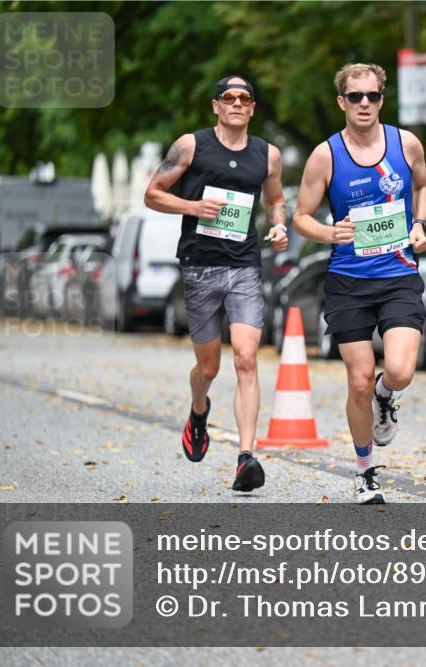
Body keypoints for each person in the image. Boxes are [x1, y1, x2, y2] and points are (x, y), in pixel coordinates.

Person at [293, 63, 426, 504]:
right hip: (348, 281)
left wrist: (420, 224)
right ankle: (365, 471)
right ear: (342, 102)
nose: (365, 104)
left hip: (398, 276)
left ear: (381, 100)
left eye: (372, 96)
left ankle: (386, 396)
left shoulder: (405, 143)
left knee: (400, 370)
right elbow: (301, 217)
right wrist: (329, 232)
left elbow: (423, 188)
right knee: (356, 381)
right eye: (356, 97)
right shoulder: (325, 155)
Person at [144, 75, 288, 493]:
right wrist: (193, 206)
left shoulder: (268, 155)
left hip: (244, 265)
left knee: (246, 358)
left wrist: (278, 226)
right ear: (216, 106)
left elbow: (276, 199)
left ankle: (246, 458)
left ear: (253, 108)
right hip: (199, 266)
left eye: (245, 98)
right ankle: (198, 411)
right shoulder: (191, 145)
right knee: (209, 367)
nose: (238, 103)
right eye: (230, 97)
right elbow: (152, 194)